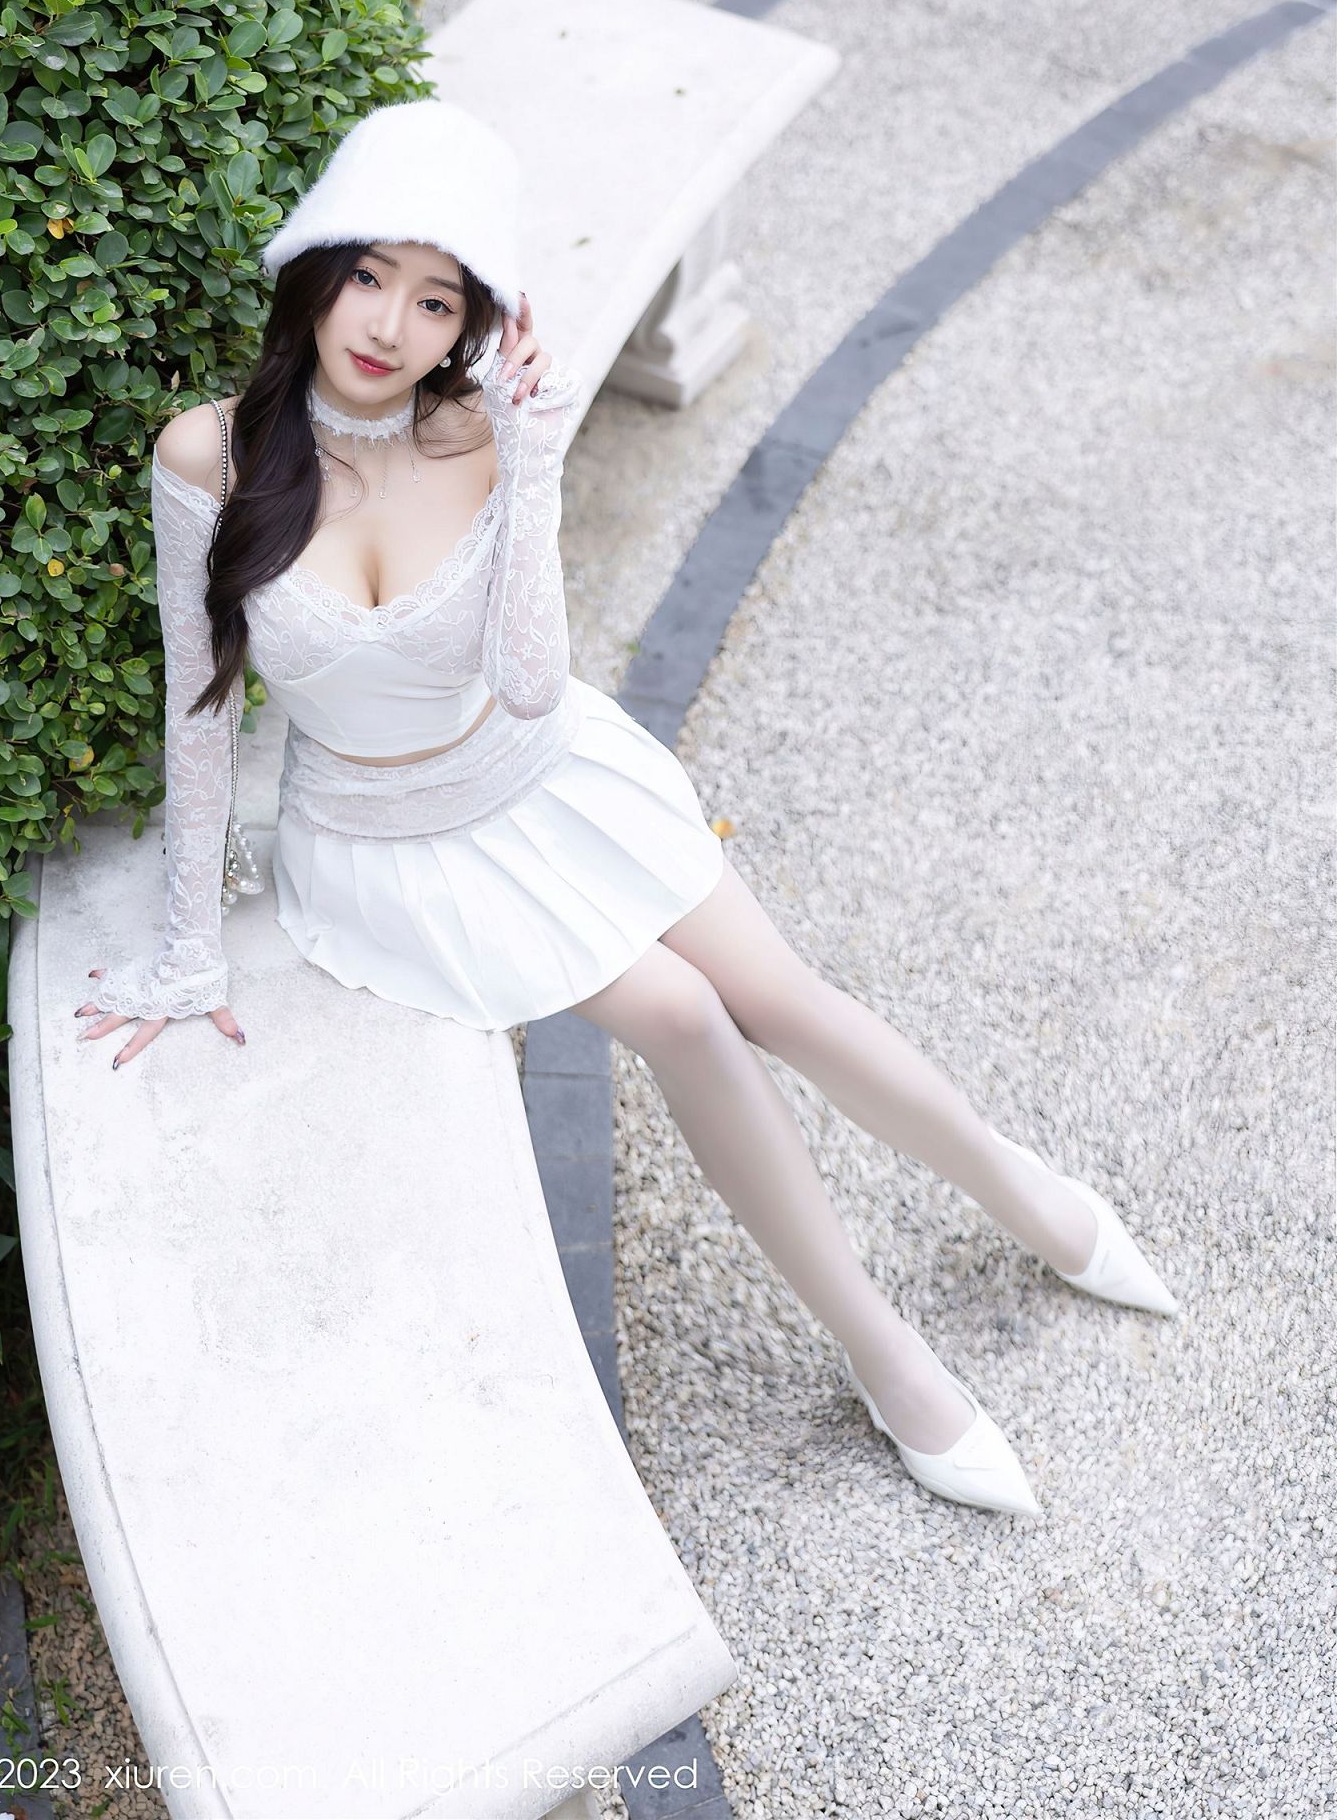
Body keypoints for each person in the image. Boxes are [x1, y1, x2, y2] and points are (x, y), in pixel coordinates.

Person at [75, 99, 1180, 1518]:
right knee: (686, 1015)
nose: (390, 325)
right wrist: (191, 949)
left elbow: (533, 685)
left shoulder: (480, 434)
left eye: (437, 299)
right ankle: (884, 1350)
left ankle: (1025, 1193)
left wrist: (532, 460)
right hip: (390, 842)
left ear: (472, 323)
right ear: (317, 269)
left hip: (544, 774)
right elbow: (201, 701)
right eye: (369, 276)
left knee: (786, 999)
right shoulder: (209, 457)